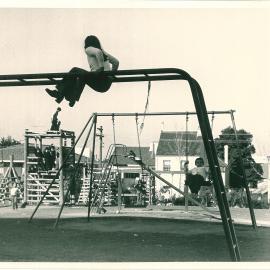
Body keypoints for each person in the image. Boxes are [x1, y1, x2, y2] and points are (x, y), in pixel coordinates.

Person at [45, 35, 119, 107]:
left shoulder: (88, 49)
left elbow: (98, 52)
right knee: (82, 76)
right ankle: (70, 97)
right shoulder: (104, 53)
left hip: (98, 80)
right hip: (106, 85)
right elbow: (116, 62)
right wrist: (111, 75)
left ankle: (61, 94)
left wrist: (101, 68)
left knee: (75, 70)